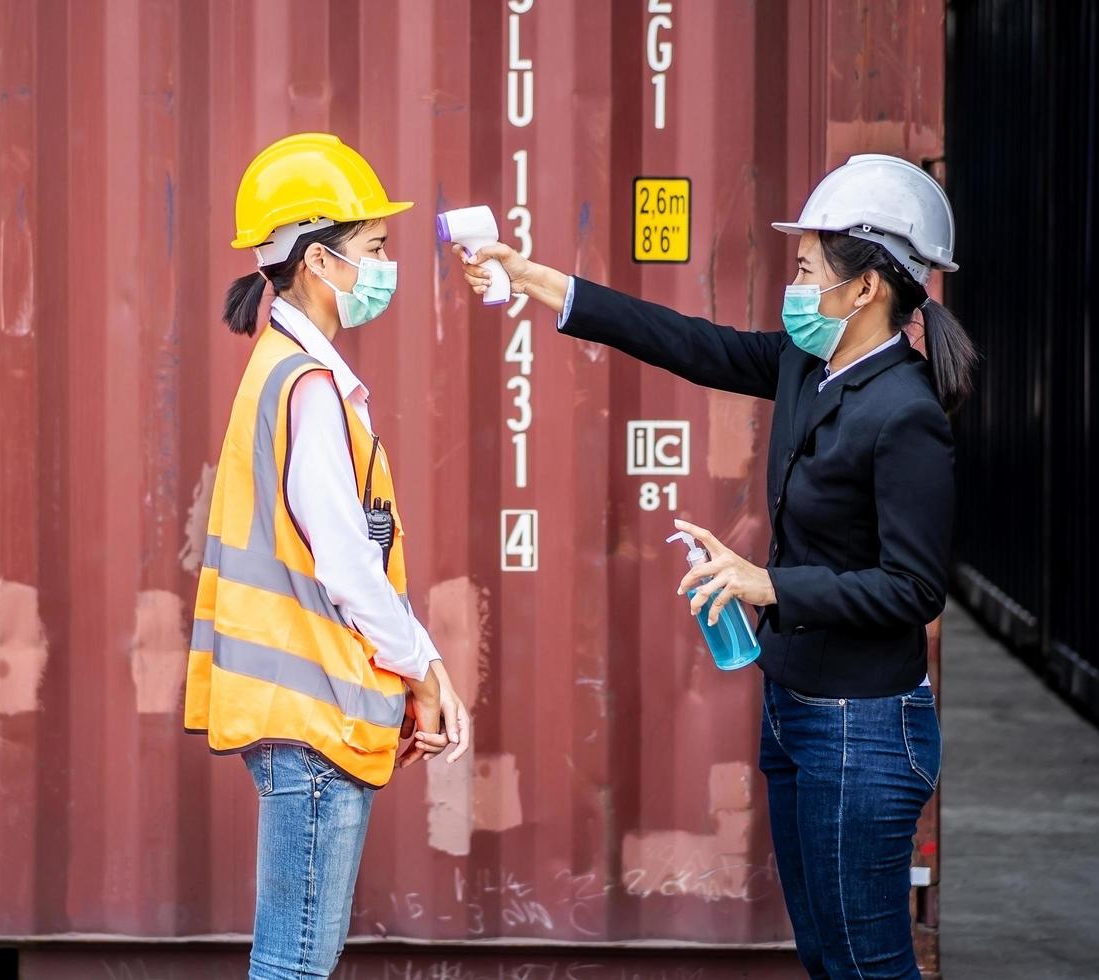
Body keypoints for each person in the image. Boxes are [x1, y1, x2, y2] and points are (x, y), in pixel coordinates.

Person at [457, 154, 975, 980]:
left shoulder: (905, 413)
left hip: (865, 729)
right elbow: (689, 344)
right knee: (827, 957)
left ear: (867, 288)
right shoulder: (810, 364)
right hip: (797, 706)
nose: (795, 286)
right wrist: (537, 280)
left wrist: (765, 582)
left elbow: (914, 589)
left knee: (869, 965)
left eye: (806, 270)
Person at [185, 132, 470, 979]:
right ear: (319, 261)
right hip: (311, 718)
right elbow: (348, 564)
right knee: (296, 966)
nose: (386, 265)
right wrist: (423, 667)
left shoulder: (285, 372)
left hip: (302, 713)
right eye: (374, 248)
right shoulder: (305, 386)